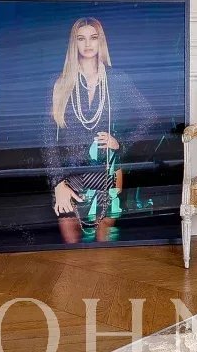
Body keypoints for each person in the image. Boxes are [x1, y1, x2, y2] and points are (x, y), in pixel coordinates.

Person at [43, 17, 162, 243]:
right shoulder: (59, 83)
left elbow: (150, 116)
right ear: (74, 44)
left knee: (102, 249)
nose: (88, 44)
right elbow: (47, 139)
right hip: (69, 175)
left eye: (93, 37)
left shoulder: (116, 79)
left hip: (107, 172)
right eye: (81, 38)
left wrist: (121, 143)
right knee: (72, 250)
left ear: (101, 41)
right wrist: (57, 183)